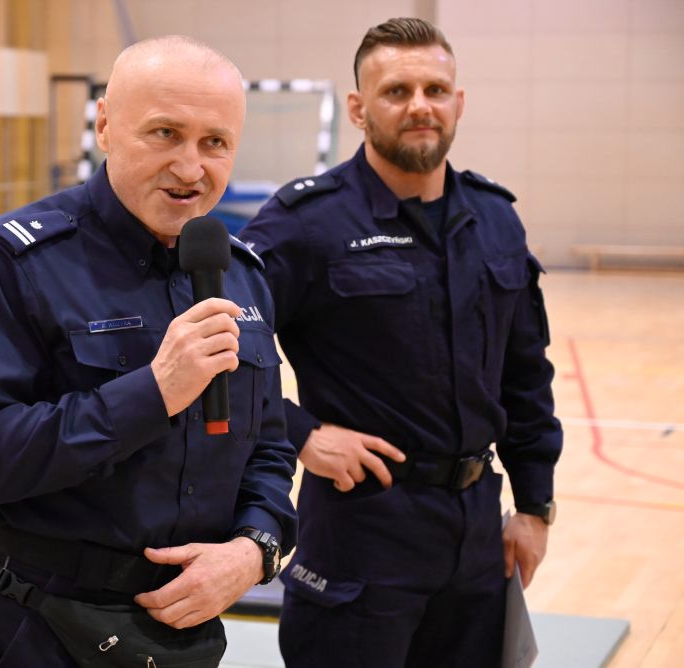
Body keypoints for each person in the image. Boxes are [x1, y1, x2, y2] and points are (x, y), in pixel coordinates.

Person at [0, 35, 297, 668]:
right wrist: (152, 393)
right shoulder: (14, 260)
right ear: (104, 125)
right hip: (44, 627)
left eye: (214, 142)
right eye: (165, 133)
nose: (191, 168)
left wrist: (253, 550)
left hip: (186, 633)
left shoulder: (239, 273)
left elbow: (268, 445)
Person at [239, 17, 562, 667]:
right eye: (396, 91)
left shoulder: (495, 220)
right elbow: (221, 346)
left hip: (476, 535)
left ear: (458, 102)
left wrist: (534, 506)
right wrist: (300, 433)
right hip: (360, 533)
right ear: (358, 109)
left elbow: (525, 375)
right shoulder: (306, 224)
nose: (420, 106)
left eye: (435, 90)